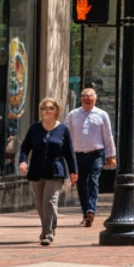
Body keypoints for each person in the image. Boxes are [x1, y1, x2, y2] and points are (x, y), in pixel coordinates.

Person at [16, 98, 77, 246]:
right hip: (36, 170)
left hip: (55, 171)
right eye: (44, 108)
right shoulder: (34, 128)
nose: (47, 111)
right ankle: (50, 226)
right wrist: (23, 161)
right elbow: (25, 147)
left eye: (50, 108)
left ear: (56, 110)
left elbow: (69, 152)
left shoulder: (63, 130)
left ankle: (47, 233)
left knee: (49, 201)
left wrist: (74, 171)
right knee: (39, 203)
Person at [65, 87, 116, 228]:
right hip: (78, 154)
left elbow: (108, 136)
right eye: (83, 96)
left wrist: (111, 155)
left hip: (96, 153)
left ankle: (91, 209)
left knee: (93, 180)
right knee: (81, 184)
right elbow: (65, 135)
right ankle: (86, 213)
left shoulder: (102, 115)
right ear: (81, 99)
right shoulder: (73, 115)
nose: (87, 99)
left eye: (90, 96)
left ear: (95, 98)